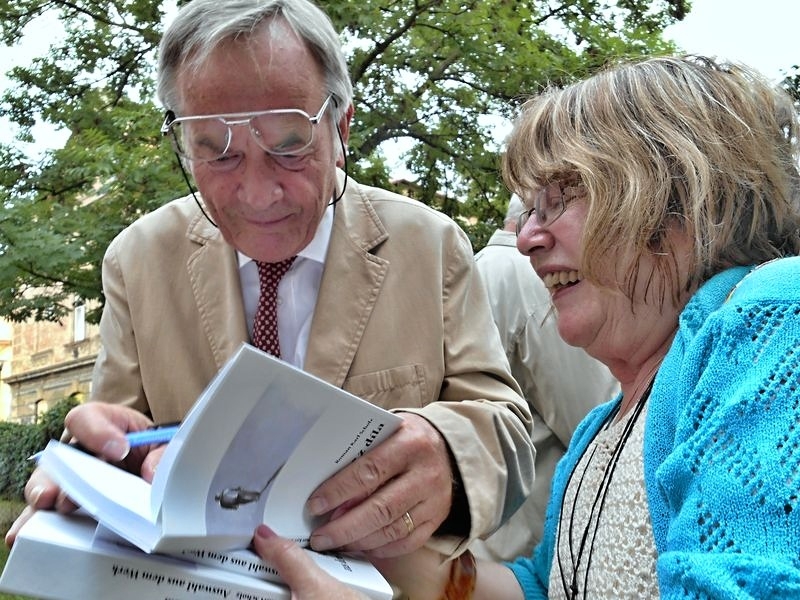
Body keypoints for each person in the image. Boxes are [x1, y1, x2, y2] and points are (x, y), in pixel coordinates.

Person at [217, 54, 800, 599]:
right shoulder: (603, 425)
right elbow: (546, 585)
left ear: (678, 197)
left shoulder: (771, 316)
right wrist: (374, 546)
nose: (526, 239)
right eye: (529, 209)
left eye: (562, 198)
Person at [5, 0, 535, 567]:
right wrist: (97, 465)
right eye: (216, 154)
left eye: (288, 147)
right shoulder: (137, 261)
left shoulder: (427, 244)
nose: (257, 194)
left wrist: (448, 457)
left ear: (342, 125)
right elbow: (111, 440)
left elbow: (503, 428)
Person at [472, 195, 618, 560]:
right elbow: (601, 429)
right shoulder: (529, 278)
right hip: (524, 558)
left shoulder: (477, 268)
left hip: (484, 556)